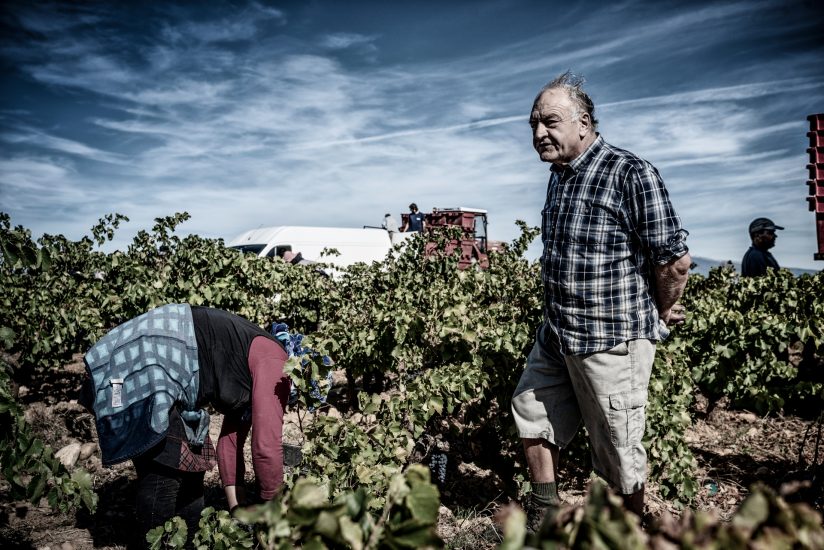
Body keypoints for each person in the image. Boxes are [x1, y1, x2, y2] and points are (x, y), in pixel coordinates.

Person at [511, 71, 691, 528]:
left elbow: (673, 261)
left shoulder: (630, 172)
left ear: (584, 122)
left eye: (549, 121)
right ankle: (546, 511)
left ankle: (626, 535)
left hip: (612, 337)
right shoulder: (559, 177)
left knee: (617, 450)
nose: (538, 133)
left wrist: (661, 310)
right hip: (557, 331)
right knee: (531, 408)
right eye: (533, 124)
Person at [80, 304, 291, 546]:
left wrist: (238, 513)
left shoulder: (255, 367)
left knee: (192, 473)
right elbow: (266, 447)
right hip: (154, 356)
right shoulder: (277, 363)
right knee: (165, 474)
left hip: (170, 364)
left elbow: (230, 444)